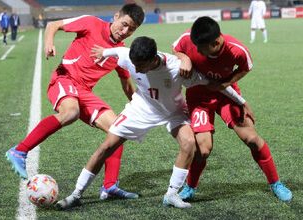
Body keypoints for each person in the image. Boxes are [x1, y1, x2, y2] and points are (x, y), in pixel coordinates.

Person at [55, 36, 249, 210]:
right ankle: (76, 194)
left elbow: (214, 85)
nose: (136, 69)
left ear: (153, 58)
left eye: (140, 65)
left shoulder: (176, 68)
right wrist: (103, 52)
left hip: (173, 111)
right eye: (134, 64)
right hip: (141, 108)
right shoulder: (129, 57)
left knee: (189, 144)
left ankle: (171, 194)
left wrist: (242, 102)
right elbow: (117, 52)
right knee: (107, 146)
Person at [5, 3, 145, 200]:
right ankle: (19, 151)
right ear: (115, 16)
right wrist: (49, 43)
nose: (125, 31)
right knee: (71, 112)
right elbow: (53, 25)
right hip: (65, 79)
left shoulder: (121, 53)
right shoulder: (91, 23)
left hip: (85, 92)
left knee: (118, 129)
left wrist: (139, 107)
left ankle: (110, 186)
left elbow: (127, 84)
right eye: (124, 24)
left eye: (131, 29)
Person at [172, 16, 292, 202]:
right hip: (198, 97)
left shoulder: (237, 50)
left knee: (251, 138)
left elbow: (246, 68)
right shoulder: (190, 38)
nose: (197, 50)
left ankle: (275, 183)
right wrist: (184, 57)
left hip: (226, 95)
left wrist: (225, 84)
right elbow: (177, 48)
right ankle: (190, 187)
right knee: (203, 150)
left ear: (216, 42)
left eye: (201, 48)